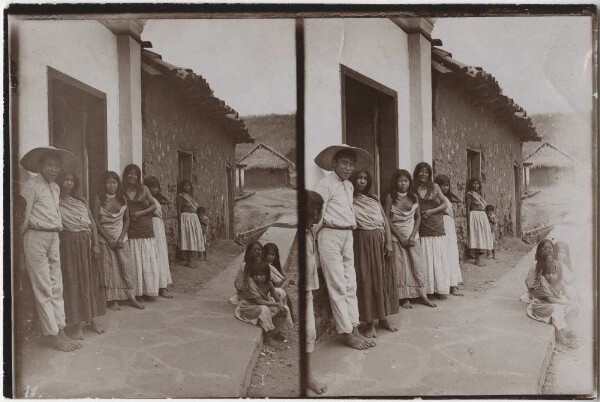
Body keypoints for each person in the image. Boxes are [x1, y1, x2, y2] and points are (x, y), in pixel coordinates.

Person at [19, 146, 81, 352]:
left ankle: (60, 328)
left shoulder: (55, 188)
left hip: (54, 236)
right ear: (40, 165)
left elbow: (55, 214)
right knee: (44, 286)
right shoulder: (30, 187)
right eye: (49, 165)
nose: (54, 169)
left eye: (57, 166)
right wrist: (20, 251)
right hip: (35, 236)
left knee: (57, 284)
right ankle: (52, 334)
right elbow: (24, 218)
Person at [314, 144, 375, 350]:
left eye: (351, 164)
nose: (348, 168)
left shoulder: (349, 186)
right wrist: (313, 242)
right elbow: (317, 215)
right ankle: (346, 333)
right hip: (330, 234)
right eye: (344, 163)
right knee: (338, 285)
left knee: (351, 283)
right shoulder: (325, 185)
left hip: (348, 234)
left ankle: (354, 327)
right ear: (333, 163)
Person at [350, 169, 398, 338]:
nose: (362, 181)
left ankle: (384, 318)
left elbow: (385, 221)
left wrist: (388, 242)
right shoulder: (350, 200)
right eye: (359, 178)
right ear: (354, 181)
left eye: (365, 178)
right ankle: (370, 323)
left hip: (380, 241)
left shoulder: (373, 200)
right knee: (367, 280)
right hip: (363, 241)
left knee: (383, 279)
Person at [58, 172, 106, 339]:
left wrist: (97, 245)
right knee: (74, 282)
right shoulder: (55, 200)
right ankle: (76, 324)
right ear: (61, 181)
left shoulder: (81, 201)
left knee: (89, 281)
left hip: (86, 244)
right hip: (69, 244)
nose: (68, 183)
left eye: (71, 180)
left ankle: (91, 320)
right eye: (66, 179)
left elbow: (92, 222)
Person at [92, 171, 144, 311]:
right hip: (105, 238)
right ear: (104, 184)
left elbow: (126, 220)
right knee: (110, 268)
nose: (111, 185)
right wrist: (108, 238)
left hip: (121, 238)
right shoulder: (99, 198)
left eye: (114, 182)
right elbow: (95, 220)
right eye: (109, 183)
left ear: (118, 184)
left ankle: (131, 297)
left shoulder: (122, 198)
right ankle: (113, 299)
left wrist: (121, 237)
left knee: (126, 267)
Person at [385, 169, 436, 309]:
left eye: (406, 181)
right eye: (400, 181)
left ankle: (422, 295)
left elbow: (418, 217)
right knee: (402, 267)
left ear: (409, 182)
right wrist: (400, 237)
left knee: (417, 265)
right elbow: (387, 218)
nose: (403, 183)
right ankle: (404, 298)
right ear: (395, 182)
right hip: (397, 237)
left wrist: (413, 235)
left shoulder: (413, 196)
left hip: (413, 236)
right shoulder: (391, 197)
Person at [122, 164, 160, 301]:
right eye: (130, 173)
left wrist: (140, 213)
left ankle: (148, 291)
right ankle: (137, 292)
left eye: (135, 174)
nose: (133, 176)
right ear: (125, 175)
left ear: (139, 176)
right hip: (132, 228)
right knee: (135, 260)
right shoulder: (122, 191)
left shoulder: (144, 189)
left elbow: (153, 205)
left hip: (145, 226)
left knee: (146, 259)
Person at [526, 250, 579, 348]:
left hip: (550, 304)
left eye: (553, 273)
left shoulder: (559, 280)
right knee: (557, 307)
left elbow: (567, 293)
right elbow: (550, 299)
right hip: (540, 305)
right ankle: (560, 335)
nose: (550, 276)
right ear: (543, 273)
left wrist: (573, 302)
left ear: (558, 273)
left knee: (567, 302)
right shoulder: (542, 279)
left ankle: (567, 330)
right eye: (547, 273)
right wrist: (566, 302)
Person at [413, 162, 451, 298]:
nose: (424, 174)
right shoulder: (413, 188)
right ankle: (427, 290)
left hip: (436, 226)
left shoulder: (434, 187)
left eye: (426, 172)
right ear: (417, 173)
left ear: (430, 174)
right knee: (426, 259)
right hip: (422, 228)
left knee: (437, 258)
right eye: (421, 171)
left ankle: (439, 288)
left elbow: (445, 204)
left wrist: (431, 211)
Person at [234, 260, 293, 344]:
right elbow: (257, 301)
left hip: (262, 305)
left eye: (261, 275)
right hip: (249, 308)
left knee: (284, 309)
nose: (258, 277)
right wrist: (276, 304)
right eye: (255, 275)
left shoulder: (268, 284)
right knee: (264, 309)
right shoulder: (251, 284)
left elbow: (276, 296)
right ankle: (267, 335)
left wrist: (280, 304)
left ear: (267, 275)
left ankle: (275, 332)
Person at [304, 190, 327, 395]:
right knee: (308, 332)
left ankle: (307, 375)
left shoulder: (310, 229)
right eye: (320, 211)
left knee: (310, 332)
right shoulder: (301, 234)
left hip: (309, 289)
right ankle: (308, 376)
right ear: (314, 213)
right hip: (303, 291)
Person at [434, 174, 464, 296]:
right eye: (442, 185)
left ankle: (453, 284)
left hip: (450, 226)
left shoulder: (447, 197)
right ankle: (446, 285)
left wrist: (450, 192)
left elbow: (460, 200)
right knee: (444, 254)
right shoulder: (437, 197)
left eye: (447, 185)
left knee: (452, 253)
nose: (445, 188)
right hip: (442, 224)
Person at [145, 177, 173, 299]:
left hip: (159, 227)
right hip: (151, 226)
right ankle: (154, 286)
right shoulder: (145, 198)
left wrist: (159, 192)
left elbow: (169, 201)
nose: (154, 189)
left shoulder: (155, 199)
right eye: (152, 187)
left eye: (156, 187)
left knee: (161, 254)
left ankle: (163, 285)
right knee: (153, 255)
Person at [465, 178, 494, 266]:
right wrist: (469, 219)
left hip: (482, 216)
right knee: (478, 236)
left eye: (477, 184)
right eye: (474, 184)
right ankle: (477, 260)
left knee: (483, 236)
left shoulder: (479, 195)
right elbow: (468, 208)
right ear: (471, 185)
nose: (476, 185)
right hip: (475, 217)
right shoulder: (470, 195)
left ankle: (480, 258)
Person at [177, 179, 205, 267]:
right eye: (185, 185)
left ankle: (192, 259)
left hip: (193, 218)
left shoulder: (191, 197)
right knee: (188, 237)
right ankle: (188, 260)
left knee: (194, 237)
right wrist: (179, 220)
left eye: (188, 185)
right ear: (182, 186)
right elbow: (179, 209)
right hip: (186, 218)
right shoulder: (181, 196)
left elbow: (195, 208)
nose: (187, 187)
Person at [263, 243, 294, 321]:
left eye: (272, 254)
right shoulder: (262, 266)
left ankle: (290, 320)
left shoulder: (276, 266)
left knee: (287, 300)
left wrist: (281, 288)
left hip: (278, 290)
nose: (270, 256)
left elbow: (286, 278)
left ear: (275, 256)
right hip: (268, 291)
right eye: (268, 254)